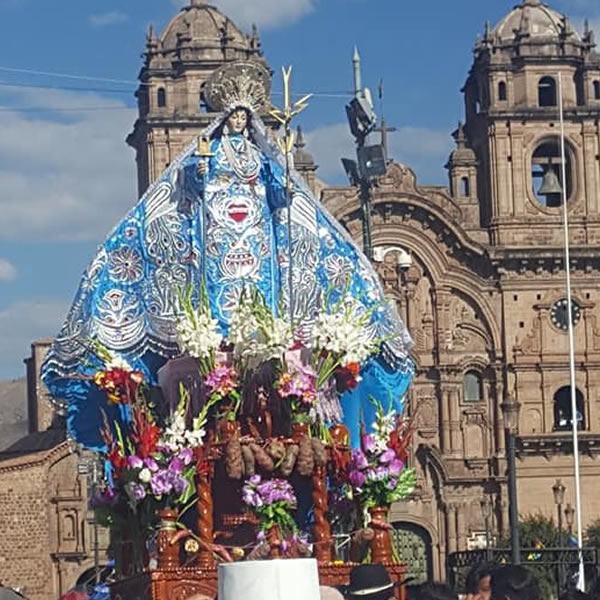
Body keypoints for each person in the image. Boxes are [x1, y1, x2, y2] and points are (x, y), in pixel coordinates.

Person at [40, 59, 414, 450]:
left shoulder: (263, 157)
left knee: (264, 308)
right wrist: (201, 170)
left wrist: (284, 181)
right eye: (232, 116)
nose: (237, 123)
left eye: (243, 117)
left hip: (258, 246)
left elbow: (282, 196)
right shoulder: (208, 152)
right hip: (217, 247)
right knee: (218, 320)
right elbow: (191, 189)